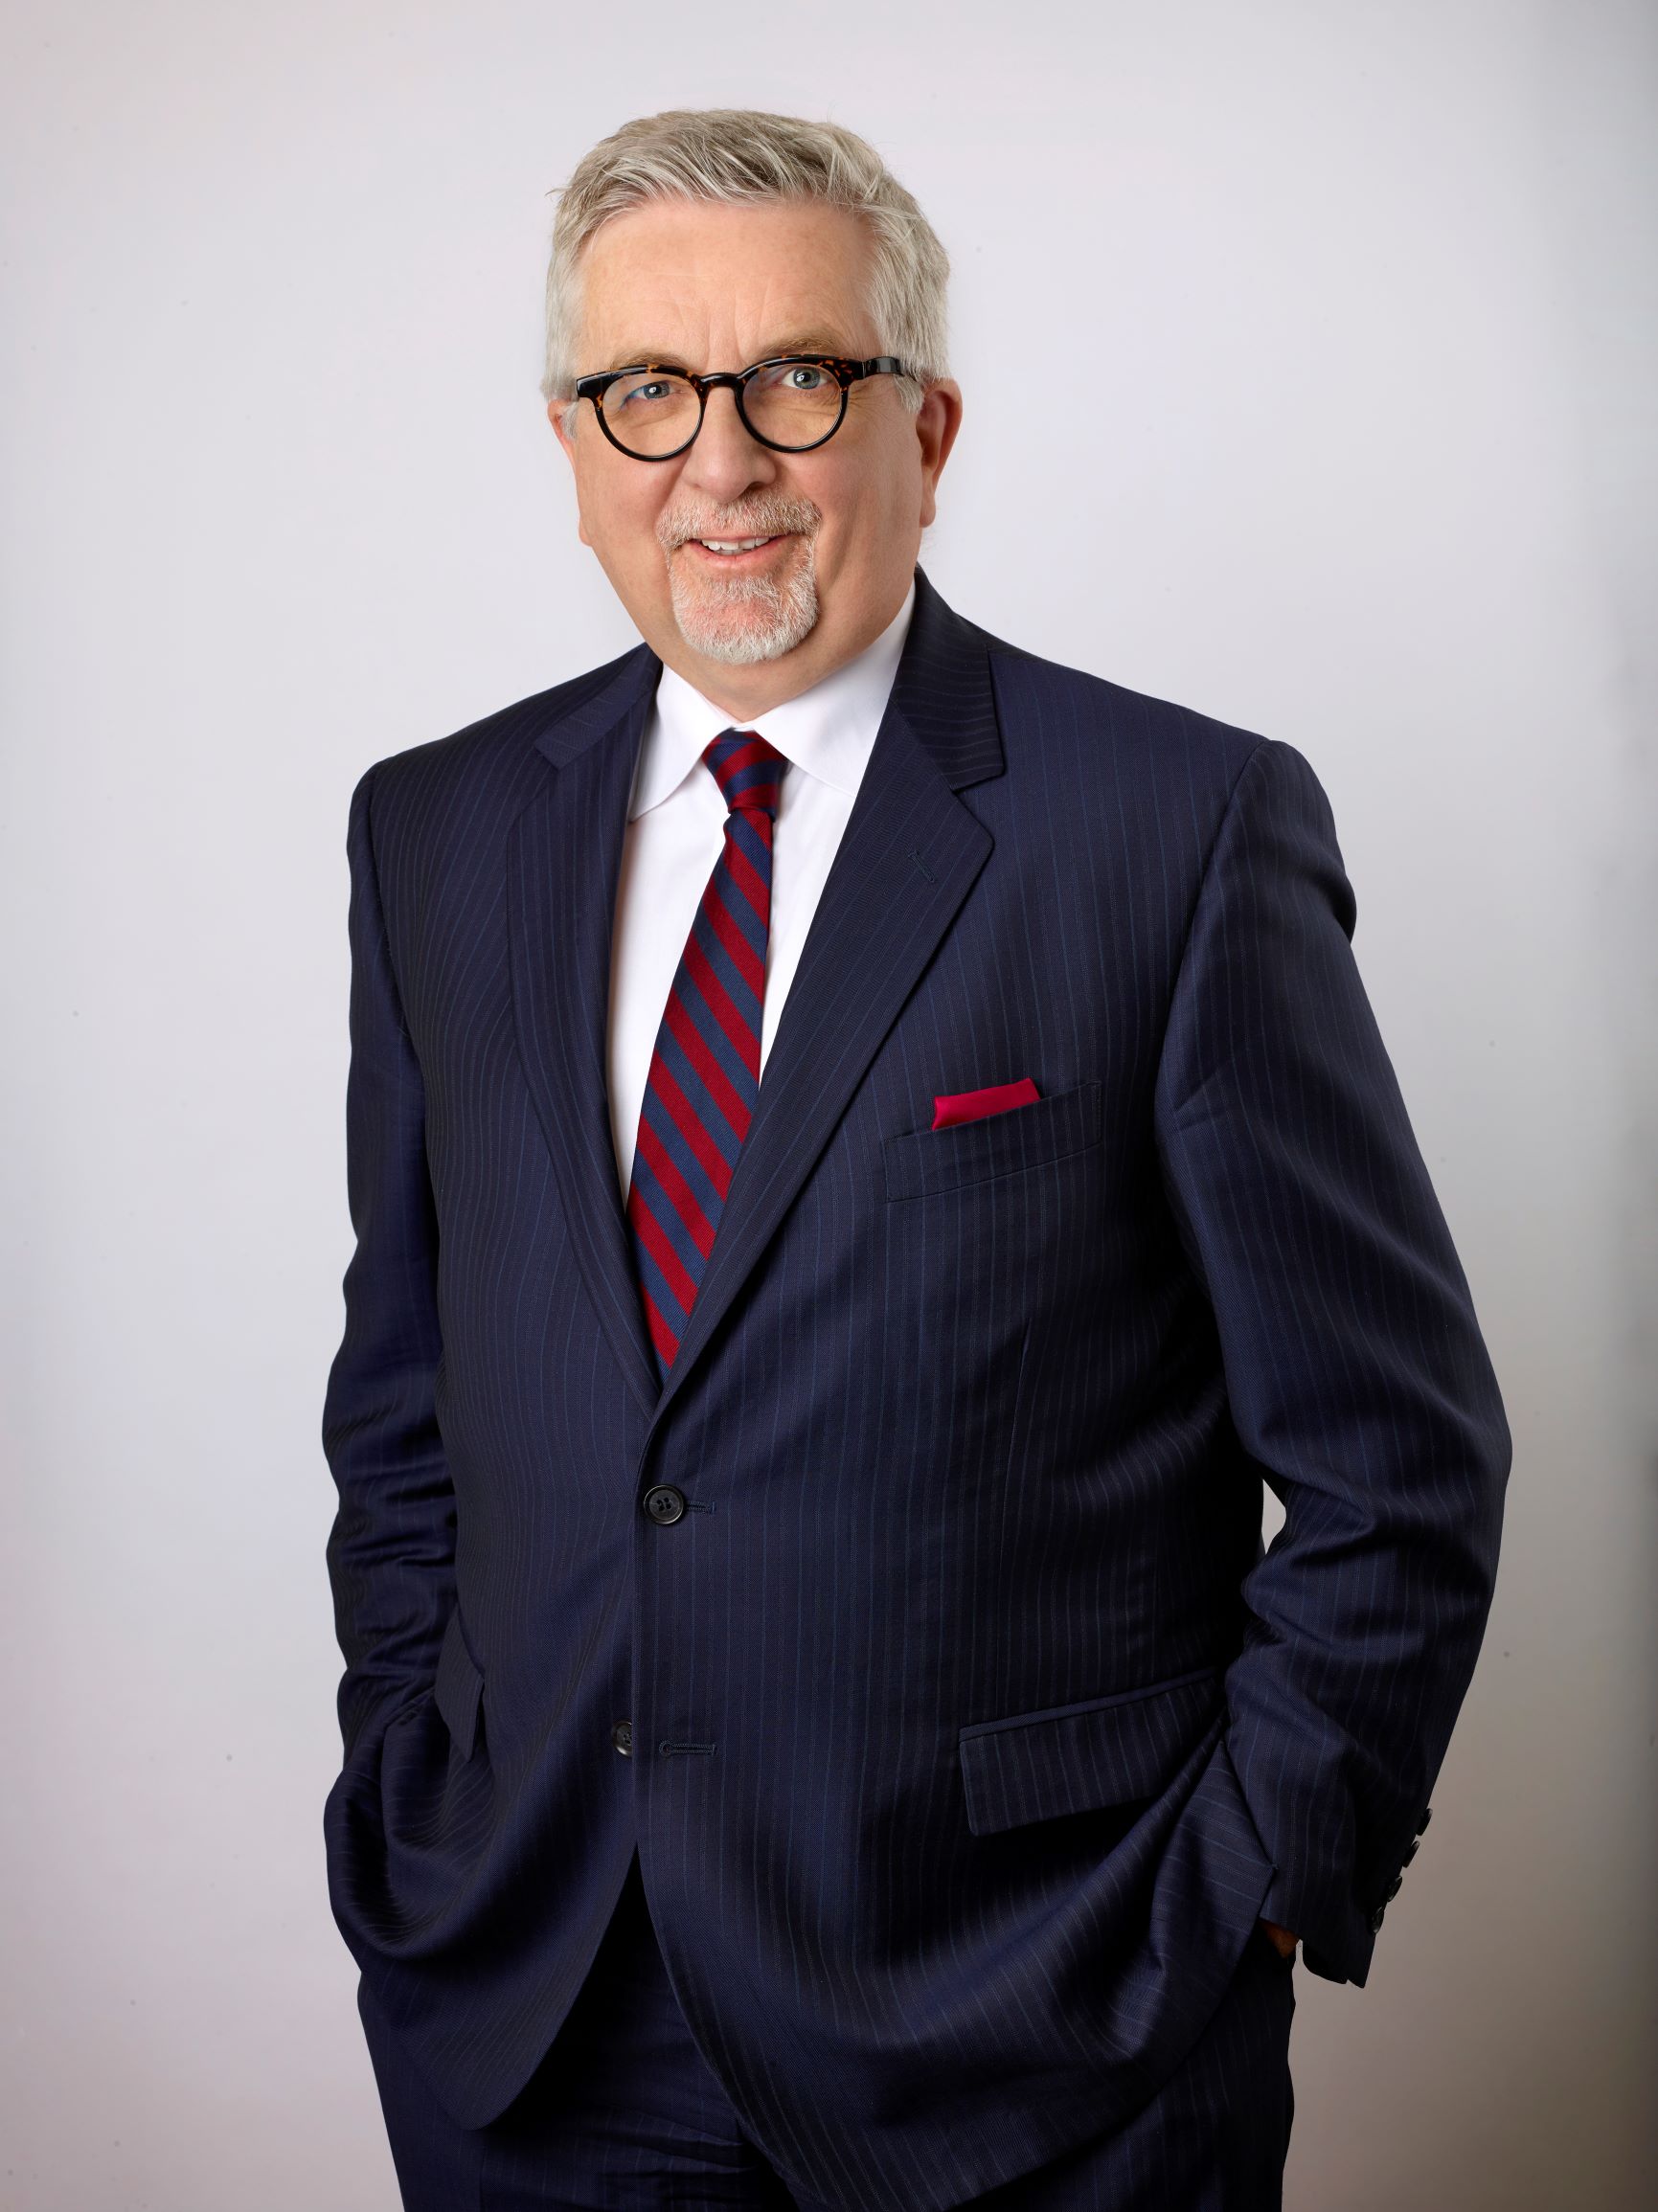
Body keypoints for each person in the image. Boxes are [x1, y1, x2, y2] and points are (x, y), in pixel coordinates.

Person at [321, 107, 1510, 2212]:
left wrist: (1242, 1895)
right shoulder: (437, 832)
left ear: (926, 428)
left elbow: (1393, 1463)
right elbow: (406, 1402)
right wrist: (406, 1777)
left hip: (1039, 2024)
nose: (720, 463)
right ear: (572, 444)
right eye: (644, 391)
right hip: (532, 2011)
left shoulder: (1172, 831)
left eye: (797, 377)